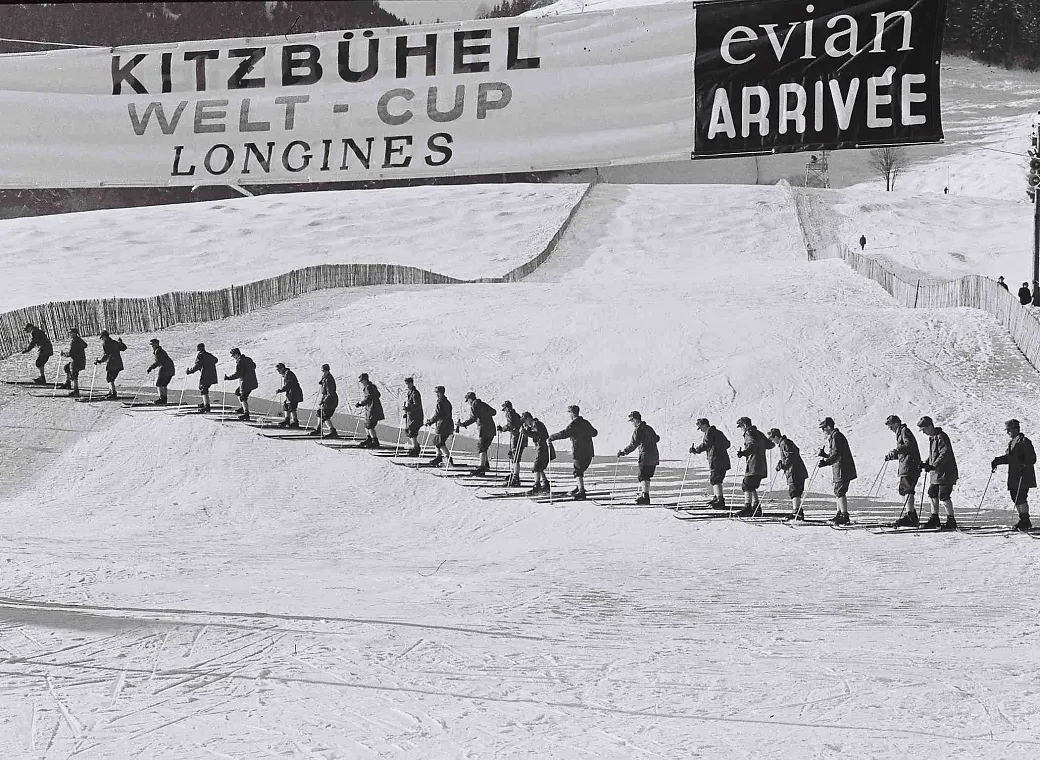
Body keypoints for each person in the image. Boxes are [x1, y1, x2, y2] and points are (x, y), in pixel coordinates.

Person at [991, 419, 1037, 532]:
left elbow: (1032, 458)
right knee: (1014, 497)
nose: (1007, 432)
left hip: (1023, 476)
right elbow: (1009, 458)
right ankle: (1023, 519)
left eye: (1009, 430)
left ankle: (1025, 520)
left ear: (1016, 429)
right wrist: (998, 461)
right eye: (1007, 430)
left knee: (1021, 497)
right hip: (1014, 475)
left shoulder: (1025, 442)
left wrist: (1024, 464)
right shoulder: (1012, 443)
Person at [549, 405, 598, 500]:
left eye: (569, 413)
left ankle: (581, 491)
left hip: (579, 452)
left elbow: (564, 434)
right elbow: (594, 433)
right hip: (588, 452)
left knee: (578, 471)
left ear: (572, 413)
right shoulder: (585, 422)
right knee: (580, 470)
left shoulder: (574, 425)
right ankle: (579, 487)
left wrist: (552, 437)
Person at [917, 416, 958, 530]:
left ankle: (951, 520)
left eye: (924, 429)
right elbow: (934, 455)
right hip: (937, 473)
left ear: (930, 426)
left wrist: (933, 465)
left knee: (944, 495)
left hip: (946, 473)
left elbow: (944, 453)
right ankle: (934, 518)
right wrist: (926, 463)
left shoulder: (941, 437)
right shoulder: (933, 437)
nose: (923, 432)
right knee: (932, 492)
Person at [884, 414, 923, 527]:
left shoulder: (904, 431)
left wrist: (896, 451)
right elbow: (905, 450)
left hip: (910, 466)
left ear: (896, 423)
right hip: (906, 466)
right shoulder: (901, 432)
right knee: (904, 490)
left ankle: (910, 516)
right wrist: (893, 456)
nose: (889, 428)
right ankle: (910, 515)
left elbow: (909, 445)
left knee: (907, 490)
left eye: (890, 425)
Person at [817, 417, 857, 525]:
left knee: (840, 491)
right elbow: (835, 454)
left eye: (824, 428)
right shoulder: (835, 436)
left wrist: (826, 462)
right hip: (839, 469)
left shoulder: (836, 437)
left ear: (829, 427)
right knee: (837, 491)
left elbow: (837, 455)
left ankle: (844, 515)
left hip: (842, 469)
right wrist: (825, 455)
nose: (823, 431)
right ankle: (839, 513)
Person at [617, 411, 660, 505]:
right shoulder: (649, 428)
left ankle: (645, 497)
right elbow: (657, 438)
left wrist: (624, 452)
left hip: (646, 455)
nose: (631, 423)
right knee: (647, 476)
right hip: (654, 455)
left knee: (643, 476)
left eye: (632, 421)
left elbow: (633, 444)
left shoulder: (638, 430)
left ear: (636, 420)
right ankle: (645, 495)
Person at [735, 416, 773, 517]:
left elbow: (751, 446)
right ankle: (756, 507)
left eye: (740, 426)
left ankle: (747, 507)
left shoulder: (749, 433)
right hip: (761, 466)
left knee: (746, 485)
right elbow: (770, 445)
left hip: (753, 464)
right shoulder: (759, 433)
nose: (741, 429)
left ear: (744, 425)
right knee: (751, 485)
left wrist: (743, 453)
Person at [768, 428, 809, 521]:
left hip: (794, 471)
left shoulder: (784, 443)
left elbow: (791, 456)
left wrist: (783, 464)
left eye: (772, 439)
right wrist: (781, 462)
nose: (772, 441)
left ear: (776, 437)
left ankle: (797, 512)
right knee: (795, 491)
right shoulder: (786, 442)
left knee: (794, 491)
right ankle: (798, 511)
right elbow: (793, 453)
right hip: (795, 471)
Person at [690, 418, 730, 509]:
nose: (700, 430)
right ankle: (716, 497)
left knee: (715, 480)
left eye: (700, 427)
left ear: (704, 425)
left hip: (716, 460)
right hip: (723, 459)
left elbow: (706, 444)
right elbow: (727, 444)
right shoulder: (719, 432)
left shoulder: (709, 432)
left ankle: (720, 500)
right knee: (717, 479)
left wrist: (695, 450)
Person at [457, 391, 498, 475]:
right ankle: (485, 465)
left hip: (484, 429)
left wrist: (463, 424)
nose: (468, 403)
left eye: (467, 400)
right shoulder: (483, 404)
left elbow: (473, 418)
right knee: (484, 447)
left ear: (470, 399)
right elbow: (494, 412)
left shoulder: (474, 405)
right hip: (491, 429)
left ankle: (481, 467)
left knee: (481, 448)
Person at [522, 411, 552, 496]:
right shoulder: (535, 424)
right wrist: (527, 429)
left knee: (536, 467)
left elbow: (538, 435)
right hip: (541, 447)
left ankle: (537, 487)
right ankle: (545, 485)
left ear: (528, 419)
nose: (525, 422)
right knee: (540, 467)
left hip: (543, 447)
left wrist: (526, 432)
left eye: (525, 420)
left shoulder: (537, 424)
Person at [497, 400, 526, 487]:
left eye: (504, 409)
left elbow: (510, 425)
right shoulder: (515, 414)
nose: (504, 411)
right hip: (519, 437)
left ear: (506, 408)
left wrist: (502, 429)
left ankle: (516, 477)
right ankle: (513, 474)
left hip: (516, 438)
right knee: (513, 455)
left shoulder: (509, 414)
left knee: (515, 456)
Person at [425, 385, 455, 467]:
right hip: (448, 425)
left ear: (440, 393)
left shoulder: (440, 402)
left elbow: (437, 415)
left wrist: (430, 422)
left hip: (442, 425)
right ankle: (439, 457)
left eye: (437, 393)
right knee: (437, 441)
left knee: (439, 442)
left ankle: (447, 458)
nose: (437, 394)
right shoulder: (447, 402)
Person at [224, 348, 257, 420]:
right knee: (237, 392)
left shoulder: (240, 362)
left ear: (236, 354)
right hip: (253, 381)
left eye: (233, 355)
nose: (233, 357)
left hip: (246, 382)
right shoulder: (248, 359)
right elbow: (254, 366)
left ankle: (246, 414)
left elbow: (238, 374)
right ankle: (243, 408)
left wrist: (228, 378)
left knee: (243, 397)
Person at [185, 343, 219, 413]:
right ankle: (205, 402)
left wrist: (189, 371)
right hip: (212, 375)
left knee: (203, 389)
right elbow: (216, 360)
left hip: (205, 375)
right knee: (204, 388)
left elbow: (197, 366)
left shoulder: (200, 355)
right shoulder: (208, 354)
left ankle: (207, 406)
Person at [355, 373, 385, 448]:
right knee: (367, 423)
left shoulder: (368, 387)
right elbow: (378, 394)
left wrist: (360, 403)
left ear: (365, 380)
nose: (361, 383)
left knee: (369, 425)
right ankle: (369, 438)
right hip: (371, 408)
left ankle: (375, 441)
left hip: (373, 408)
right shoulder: (371, 386)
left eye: (362, 381)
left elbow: (368, 398)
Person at [94, 330, 126, 399]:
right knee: (111, 377)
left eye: (102, 337)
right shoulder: (115, 342)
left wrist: (100, 361)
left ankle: (113, 393)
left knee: (109, 378)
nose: (102, 339)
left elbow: (106, 355)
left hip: (112, 363)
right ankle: (111, 391)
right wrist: (120, 342)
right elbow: (124, 348)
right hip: (118, 363)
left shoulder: (106, 344)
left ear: (105, 337)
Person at [309, 364, 339, 437]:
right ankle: (319, 429)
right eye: (322, 371)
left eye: (324, 371)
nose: (323, 372)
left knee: (325, 415)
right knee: (320, 412)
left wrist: (323, 401)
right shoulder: (325, 377)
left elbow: (330, 393)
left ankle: (332, 431)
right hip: (327, 398)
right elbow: (323, 382)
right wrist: (321, 382)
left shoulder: (329, 379)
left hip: (331, 400)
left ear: (327, 371)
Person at [145, 338, 175, 405]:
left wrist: (150, 368)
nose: (152, 346)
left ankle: (162, 399)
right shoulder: (159, 350)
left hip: (165, 369)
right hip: (169, 369)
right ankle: (164, 399)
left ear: (156, 344)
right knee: (163, 384)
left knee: (159, 384)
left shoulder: (158, 351)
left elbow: (158, 362)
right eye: (151, 345)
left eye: (152, 345)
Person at [60, 328, 87, 397]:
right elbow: (85, 345)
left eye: (71, 333)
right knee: (66, 367)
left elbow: (71, 353)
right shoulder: (79, 340)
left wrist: (64, 354)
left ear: (75, 333)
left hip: (77, 361)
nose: (70, 334)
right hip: (81, 360)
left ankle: (76, 390)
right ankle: (68, 383)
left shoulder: (74, 341)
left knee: (74, 374)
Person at [275, 362, 303, 428]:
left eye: (279, 370)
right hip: (291, 393)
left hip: (294, 393)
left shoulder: (288, 374)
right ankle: (287, 420)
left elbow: (288, 384)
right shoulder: (286, 374)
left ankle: (295, 422)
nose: (278, 372)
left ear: (282, 368)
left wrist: (281, 390)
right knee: (286, 405)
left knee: (292, 407)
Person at [402, 377, 424, 456]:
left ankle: (416, 449)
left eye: (408, 384)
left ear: (412, 383)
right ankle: (416, 446)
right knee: (409, 431)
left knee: (412, 431)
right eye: (406, 384)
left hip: (416, 417)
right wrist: (406, 412)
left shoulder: (415, 393)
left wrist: (408, 408)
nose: (407, 386)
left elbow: (416, 405)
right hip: (411, 416)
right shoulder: (410, 392)